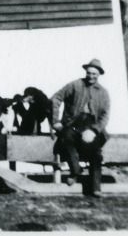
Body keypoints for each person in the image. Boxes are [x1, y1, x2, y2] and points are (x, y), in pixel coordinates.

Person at [51, 58, 110, 197]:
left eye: (94, 74)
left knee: (96, 153)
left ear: (99, 74)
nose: (91, 76)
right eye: (89, 73)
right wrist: (55, 120)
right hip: (73, 124)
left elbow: (105, 115)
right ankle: (75, 171)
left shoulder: (103, 92)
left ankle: (96, 188)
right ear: (86, 72)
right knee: (66, 138)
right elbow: (56, 98)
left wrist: (94, 130)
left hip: (92, 126)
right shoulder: (75, 85)